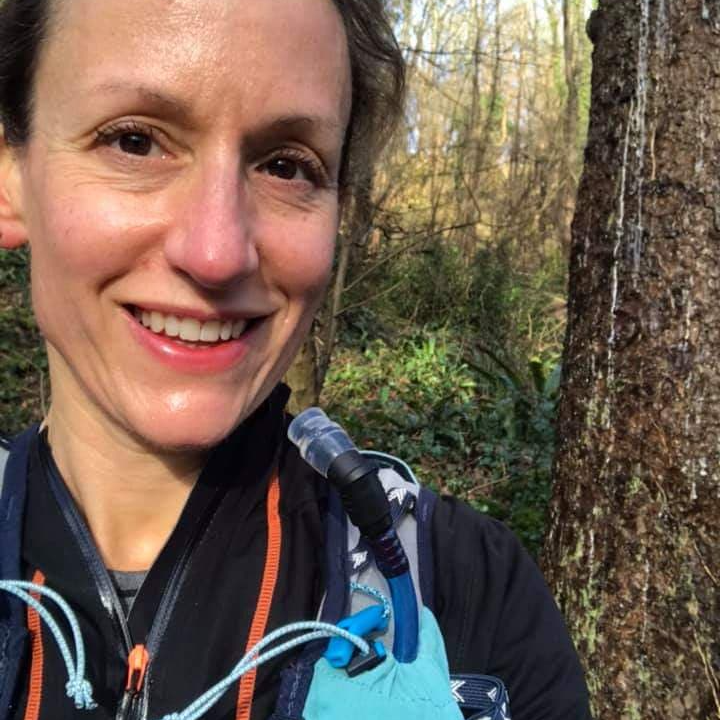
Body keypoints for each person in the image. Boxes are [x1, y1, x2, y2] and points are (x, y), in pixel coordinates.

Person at [0, 0, 592, 718]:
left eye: (286, 165)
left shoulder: (470, 592)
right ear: (10, 176)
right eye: (135, 141)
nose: (217, 252)